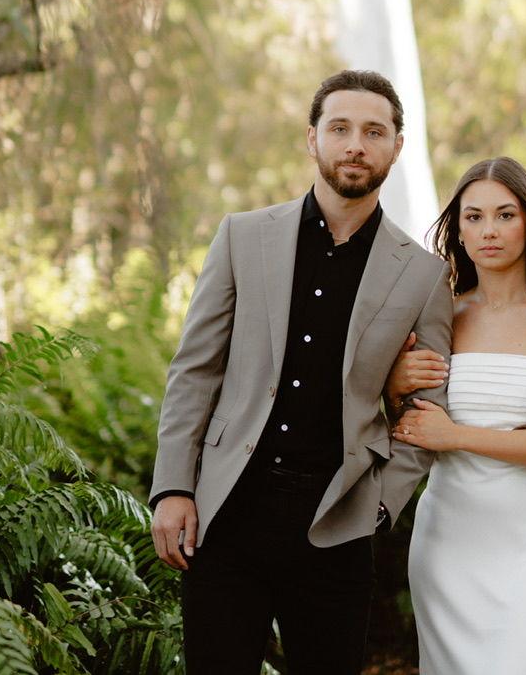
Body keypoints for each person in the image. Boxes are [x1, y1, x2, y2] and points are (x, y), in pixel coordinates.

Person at [149, 69, 454, 675]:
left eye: (374, 132)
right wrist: (174, 487)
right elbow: (195, 371)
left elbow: (428, 412)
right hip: (227, 511)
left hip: (337, 520)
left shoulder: (423, 275)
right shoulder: (241, 237)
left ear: (397, 146)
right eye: (339, 128)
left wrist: (380, 506)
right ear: (312, 138)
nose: (355, 145)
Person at [386, 156, 526, 675]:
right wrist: (395, 384)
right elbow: (405, 424)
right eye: (474, 216)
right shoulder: (440, 317)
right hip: (450, 545)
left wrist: (458, 436)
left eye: (505, 215)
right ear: (459, 231)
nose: (489, 230)